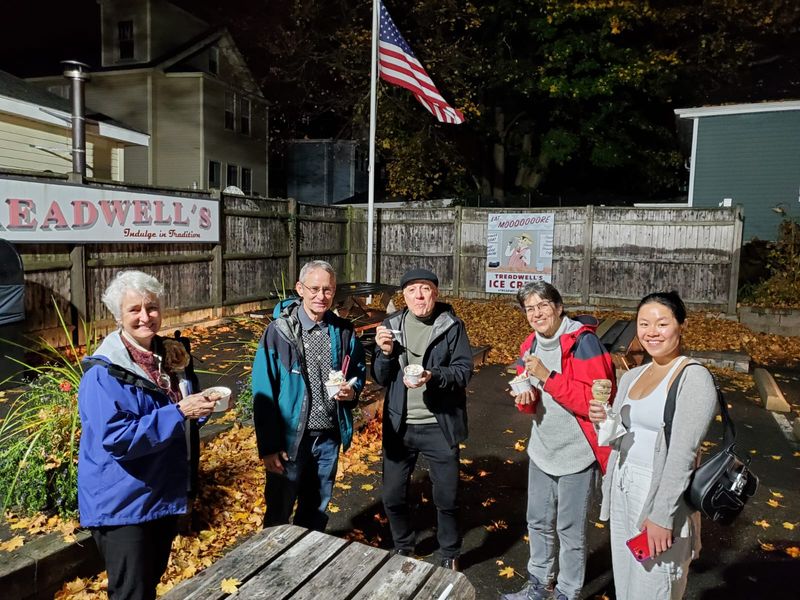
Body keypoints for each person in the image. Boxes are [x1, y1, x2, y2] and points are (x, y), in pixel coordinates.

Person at [77, 270, 217, 600]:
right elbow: (119, 439)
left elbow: (175, 417)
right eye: (134, 310)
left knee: (149, 584)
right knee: (131, 593)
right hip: (124, 502)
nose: (145, 317)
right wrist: (181, 412)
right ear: (118, 315)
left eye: (151, 307)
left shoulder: (168, 356)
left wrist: (197, 412)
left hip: (161, 493)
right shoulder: (103, 373)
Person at [589, 291, 717, 599]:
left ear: (680, 325)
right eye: (644, 323)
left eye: (662, 323)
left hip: (660, 493)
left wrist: (662, 516)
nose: (652, 332)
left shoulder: (692, 377)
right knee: (627, 583)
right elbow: (617, 436)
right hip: (623, 487)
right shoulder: (633, 375)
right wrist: (602, 418)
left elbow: (683, 455)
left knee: (654, 587)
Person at [501, 281, 615, 600]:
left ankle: (567, 590)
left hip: (578, 453)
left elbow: (598, 407)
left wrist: (549, 377)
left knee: (570, 530)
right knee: (537, 521)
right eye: (530, 308)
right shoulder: (531, 346)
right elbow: (530, 400)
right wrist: (523, 396)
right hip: (542, 447)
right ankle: (539, 583)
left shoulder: (585, 344)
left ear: (559, 307)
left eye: (543, 306)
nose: (537, 314)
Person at [252, 260, 366, 532]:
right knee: (279, 512)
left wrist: (352, 390)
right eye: (314, 288)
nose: (321, 296)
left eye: (327, 290)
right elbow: (263, 391)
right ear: (300, 289)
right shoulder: (279, 333)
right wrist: (268, 447)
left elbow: (358, 372)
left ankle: (309, 565)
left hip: (327, 439)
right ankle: (272, 569)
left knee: (316, 510)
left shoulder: (343, 331)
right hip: (290, 442)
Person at [373, 268, 473, 571]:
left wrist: (432, 375)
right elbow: (379, 376)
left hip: (438, 425)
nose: (419, 295)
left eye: (425, 289)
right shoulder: (391, 325)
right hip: (399, 425)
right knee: (391, 495)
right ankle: (403, 546)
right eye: (412, 289)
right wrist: (386, 353)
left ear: (436, 293)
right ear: (404, 295)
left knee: (446, 496)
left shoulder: (451, 326)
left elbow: (463, 370)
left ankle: (449, 553)